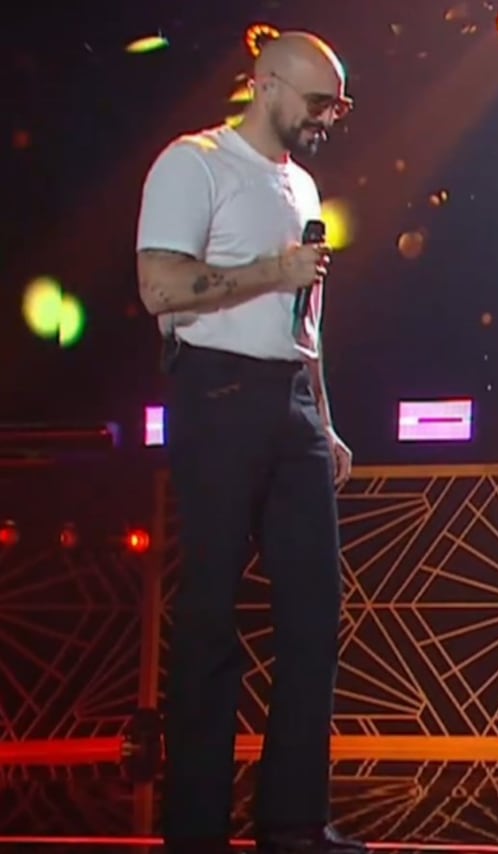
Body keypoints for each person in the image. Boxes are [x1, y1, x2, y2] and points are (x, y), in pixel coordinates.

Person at [134, 31, 365, 854]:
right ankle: (196, 827)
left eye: (338, 105)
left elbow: (306, 318)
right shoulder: (193, 164)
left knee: (314, 613)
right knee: (210, 612)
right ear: (267, 86)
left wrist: (322, 417)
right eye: (318, 102)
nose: (328, 118)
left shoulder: (302, 183)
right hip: (217, 390)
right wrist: (272, 270)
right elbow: (159, 285)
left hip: (290, 400)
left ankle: (293, 821)